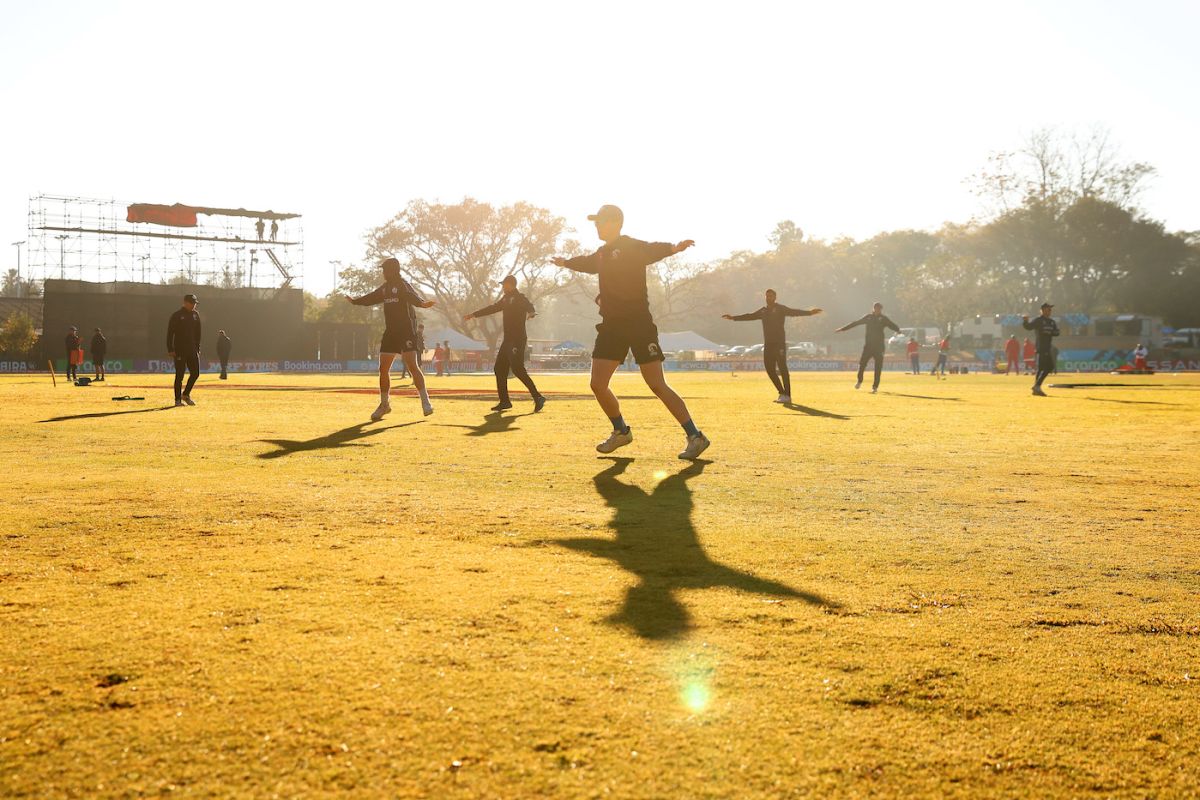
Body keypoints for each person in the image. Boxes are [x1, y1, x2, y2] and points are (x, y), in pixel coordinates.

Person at [552, 204, 710, 460]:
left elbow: (652, 250)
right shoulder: (602, 254)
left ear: (614, 222)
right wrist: (565, 262)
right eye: (595, 222)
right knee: (597, 384)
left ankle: (696, 436)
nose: (596, 226)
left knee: (656, 384)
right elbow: (588, 263)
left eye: (600, 221)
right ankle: (621, 431)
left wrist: (674, 247)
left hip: (638, 325)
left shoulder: (632, 247)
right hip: (611, 327)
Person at [347, 257, 436, 419]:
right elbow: (371, 297)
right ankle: (384, 404)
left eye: (384, 270)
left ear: (392, 270)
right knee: (383, 369)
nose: (383, 273)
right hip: (390, 333)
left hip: (406, 331)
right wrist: (355, 302)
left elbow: (412, 296)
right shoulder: (385, 288)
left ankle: (425, 402)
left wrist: (422, 304)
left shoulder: (402, 284)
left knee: (412, 366)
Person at [721, 289, 822, 403]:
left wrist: (809, 312)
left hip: (779, 343)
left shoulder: (780, 309)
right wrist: (733, 317)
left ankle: (787, 395)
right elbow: (750, 316)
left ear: (775, 297)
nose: (768, 298)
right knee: (769, 369)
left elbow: (794, 312)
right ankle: (782, 393)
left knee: (783, 368)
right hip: (768, 344)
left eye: (771, 296)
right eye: (767, 296)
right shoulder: (763, 311)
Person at [465, 275, 547, 412]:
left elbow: (530, 306)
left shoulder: (520, 297)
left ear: (511, 284)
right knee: (499, 369)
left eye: (504, 284)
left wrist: (531, 313)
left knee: (518, 369)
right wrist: (474, 314)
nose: (503, 287)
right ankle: (505, 401)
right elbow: (492, 308)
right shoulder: (505, 299)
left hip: (517, 339)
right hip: (508, 340)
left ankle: (537, 397)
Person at [835, 302, 900, 393]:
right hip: (868, 346)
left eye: (879, 308)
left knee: (878, 367)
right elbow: (856, 323)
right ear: (873, 308)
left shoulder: (883, 318)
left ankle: (875, 387)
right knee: (862, 365)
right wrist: (843, 329)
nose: (877, 310)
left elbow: (892, 325)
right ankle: (859, 381)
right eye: (876, 308)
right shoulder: (868, 317)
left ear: (881, 309)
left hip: (879, 347)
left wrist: (898, 330)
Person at [167, 294, 202, 406]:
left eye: (195, 303)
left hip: (192, 350)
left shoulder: (196, 315)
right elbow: (170, 333)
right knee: (179, 375)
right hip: (180, 350)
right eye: (192, 303)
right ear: (185, 302)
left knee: (195, 373)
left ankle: (186, 394)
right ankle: (177, 400)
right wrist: (170, 348)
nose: (194, 305)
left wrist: (197, 347)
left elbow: (198, 333)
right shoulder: (177, 315)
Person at [1022, 302, 1060, 396]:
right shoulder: (1038, 320)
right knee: (1049, 367)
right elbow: (1029, 327)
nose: (1050, 311)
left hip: (1047, 347)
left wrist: (1055, 332)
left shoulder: (1051, 322)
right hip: (1041, 347)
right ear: (1042, 310)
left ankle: (1036, 388)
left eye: (1050, 309)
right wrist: (1025, 321)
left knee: (1041, 368)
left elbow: (1056, 332)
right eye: (1048, 309)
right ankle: (1037, 386)